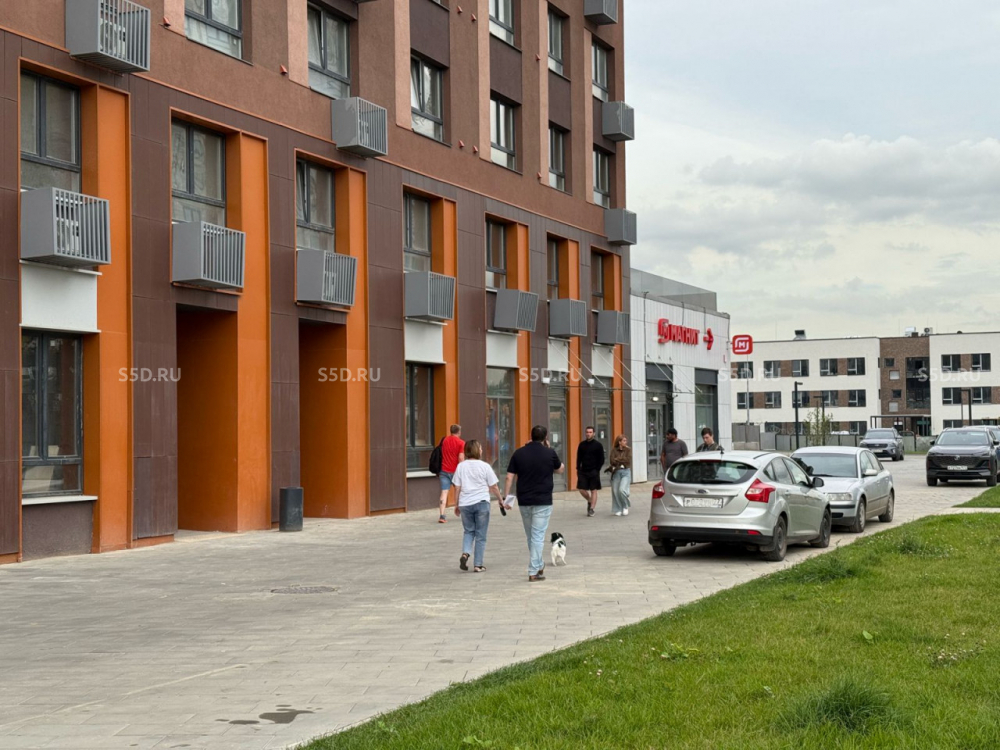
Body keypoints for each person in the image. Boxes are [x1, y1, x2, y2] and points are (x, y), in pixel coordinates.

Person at [504, 425, 565, 582]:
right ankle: (533, 571)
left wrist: (506, 497)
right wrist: (549, 451)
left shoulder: (519, 453)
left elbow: (509, 477)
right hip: (543, 500)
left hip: (524, 500)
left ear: (531, 436)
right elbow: (560, 469)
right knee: (537, 536)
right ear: (545, 437)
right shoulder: (549, 453)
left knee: (531, 536)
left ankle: (538, 564)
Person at [451, 440, 504, 573]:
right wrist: (500, 500)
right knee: (481, 535)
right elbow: (494, 486)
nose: (481, 450)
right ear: (476, 450)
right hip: (481, 503)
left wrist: (456, 504)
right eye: (480, 448)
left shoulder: (461, 467)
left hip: (465, 504)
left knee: (468, 531)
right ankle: (478, 565)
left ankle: (465, 553)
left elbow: (457, 487)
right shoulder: (485, 466)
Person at [437, 424, 465, 523]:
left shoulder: (444, 440)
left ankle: (442, 515)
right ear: (459, 432)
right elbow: (461, 458)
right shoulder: (461, 443)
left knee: (444, 492)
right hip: (456, 472)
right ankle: (461, 511)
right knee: (460, 491)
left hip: (444, 470)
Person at [576, 426, 605, 517]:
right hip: (583, 470)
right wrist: (578, 469)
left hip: (594, 471)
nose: (588, 434)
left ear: (594, 433)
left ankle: (591, 509)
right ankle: (589, 500)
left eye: (590, 432)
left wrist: (597, 469)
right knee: (581, 489)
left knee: (593, 490)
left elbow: (601, 459)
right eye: (587, 432)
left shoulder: (598, 445)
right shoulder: (582, 445)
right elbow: (579, 458)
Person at [608, 434, 632, 516]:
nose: (626, 442)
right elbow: (612, 461)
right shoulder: (614, 450)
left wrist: (617, 459)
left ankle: (625, 506)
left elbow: (628, 460)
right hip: (616, 472)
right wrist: (621, 460)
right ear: (619, 442)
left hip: (626, 471)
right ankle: (618, 508)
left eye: (626, 440)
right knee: (615, 491)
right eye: (624, 441)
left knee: (622, 490)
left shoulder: (628, 450)